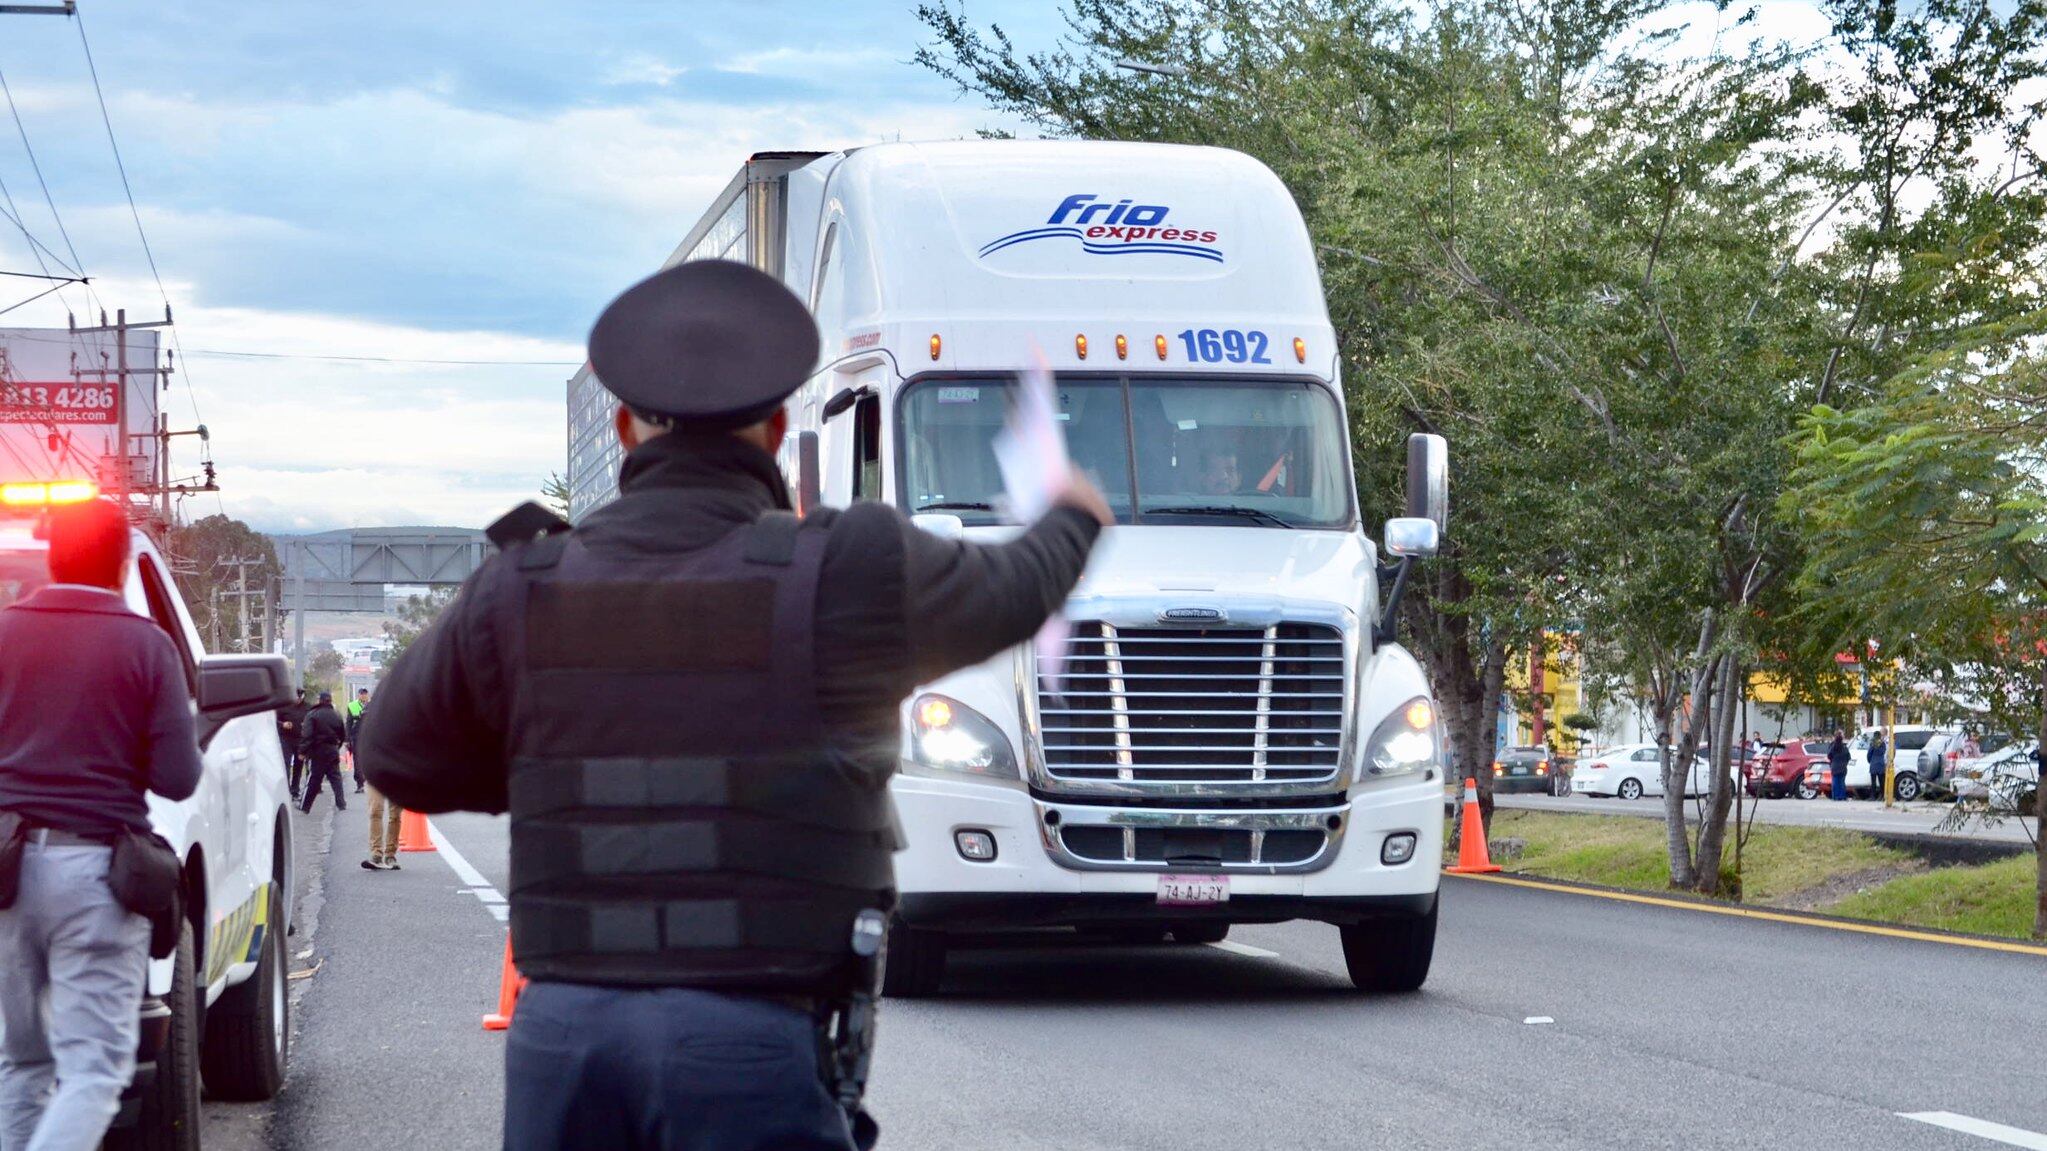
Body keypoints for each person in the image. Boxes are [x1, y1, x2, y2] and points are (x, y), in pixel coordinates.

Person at [360, 259, 1109, 1151]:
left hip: (565, 1041)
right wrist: (1073, 517)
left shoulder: (521, 581)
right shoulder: (846, 567)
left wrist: (543, 762)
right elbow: (1015, 589)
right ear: (780, 427)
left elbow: (395, 753)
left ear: (625, 427)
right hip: (755, 1038)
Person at [0, 498, 202, 1149]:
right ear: (122, 563)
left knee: (21, 1062)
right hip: (94, 875)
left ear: (53, 556)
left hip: (4, 871)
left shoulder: (3, 631)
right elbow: (177, 778)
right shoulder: (146, 645)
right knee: (94, 1069)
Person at [299, 691, 348, 814]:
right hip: (332, 749)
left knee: (314, 779)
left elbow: (307, 734)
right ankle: (341, 803)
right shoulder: (336, 715)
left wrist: (303, 751)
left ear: (320, 700)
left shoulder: (313, 714)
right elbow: (343, 734)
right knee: (336, 778)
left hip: (317, 751)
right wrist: (337, 746)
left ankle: (305, 806)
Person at [278, 686, 309, 802]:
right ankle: (285, 790)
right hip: (286, 738)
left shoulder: (307, 708)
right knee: (285, 764)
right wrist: (283, 724)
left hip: (300, 740)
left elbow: (312, 720)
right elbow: (275, 720)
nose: (297, 700)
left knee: (298, 765)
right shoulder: (284, 706)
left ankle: (295, 790)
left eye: (299, 698)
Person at [346, 688, 370, 793]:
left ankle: (370, 782)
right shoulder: (352, 705)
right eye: (362, 694)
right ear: (358, 695)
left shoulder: (373, 705)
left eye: (365, 694)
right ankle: (360, 783)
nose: (363, 696)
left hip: (370, 737)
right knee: (357, 761)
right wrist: (347, 739)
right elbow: (348, 723)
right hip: (356, 736)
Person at [1827, 729, 1850, 801]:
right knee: (1842, 782)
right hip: (1843, 767)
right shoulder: (1844, 747)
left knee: (1835, 781)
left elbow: (1829, 755)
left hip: (1835, 766)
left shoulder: (1833, 747)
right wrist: (1845, 763)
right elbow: (1848, 757)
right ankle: (1842, 796)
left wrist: (1832, 761)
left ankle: (1835, 796)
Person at [1867, 730, 1888, 800]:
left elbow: (1869, 753)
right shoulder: (1883, 743)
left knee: (1873, 782)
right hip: (1881, 764)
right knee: (1882, 781)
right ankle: (1882, 796)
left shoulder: (1872, 743)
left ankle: (1873, 796)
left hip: (1873, 763)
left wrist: (1870, 761)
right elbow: (1884, 751)